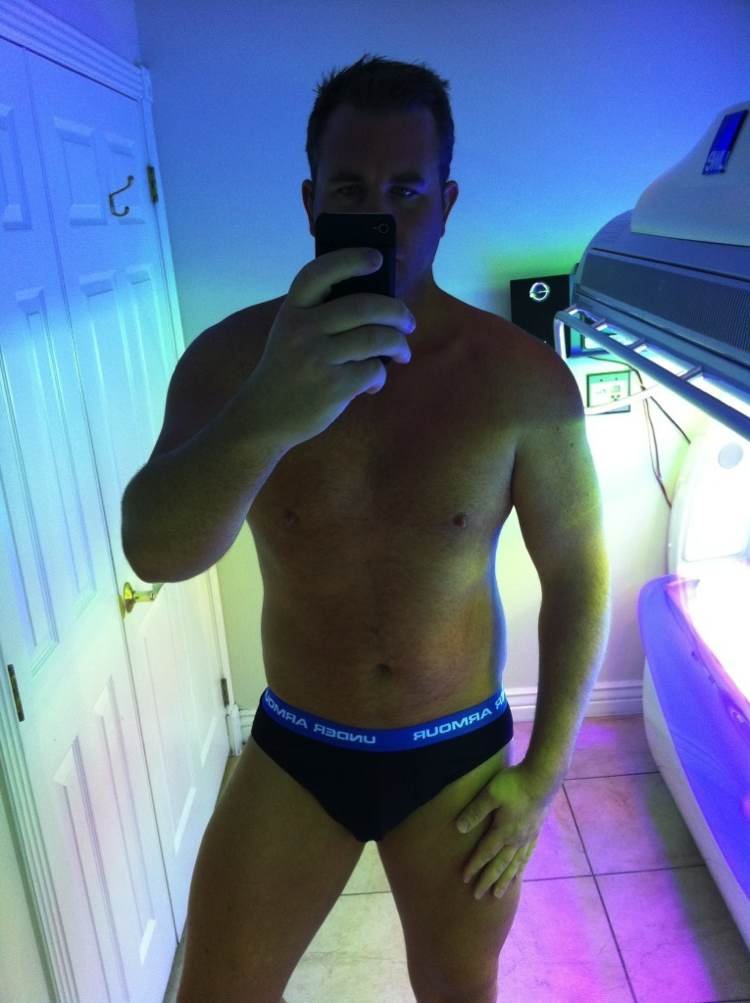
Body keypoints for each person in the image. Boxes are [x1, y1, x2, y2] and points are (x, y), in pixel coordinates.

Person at [125, 54, 610, 1003]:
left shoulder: (521, 382)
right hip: (297, 748)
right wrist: (268, 410)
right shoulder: (230, 361)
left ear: (448, 201)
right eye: (350, 189)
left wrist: (543, 774)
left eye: (407, 189)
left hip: (456, 759)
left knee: (459, 991)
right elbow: (155, 551)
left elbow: (579, 573)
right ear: (312, 201)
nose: (380, 212)